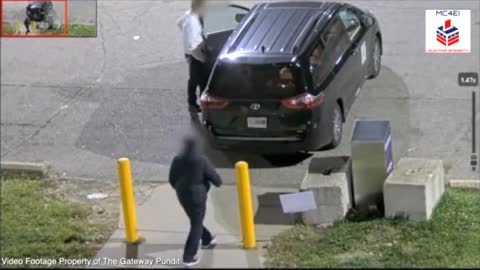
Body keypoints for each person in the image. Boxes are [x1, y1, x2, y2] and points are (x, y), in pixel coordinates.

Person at [168, 136, 222, 267]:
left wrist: (181, 189)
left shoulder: (177, 159)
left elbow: (171, 179)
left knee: (195, 220)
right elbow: (216, 179)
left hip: (182, 195)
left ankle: (207, 239)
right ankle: (189, 256)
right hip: (197, 197)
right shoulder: (201, 160)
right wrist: (213, 183)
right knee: (196, 224)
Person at [177, 0, 210, 113]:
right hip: (196, 55)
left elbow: (179, 22)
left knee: (194, 80)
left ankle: (192, 102)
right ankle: (195, 104)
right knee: (200, 80)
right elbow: (193, 46)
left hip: (191, 54)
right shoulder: (193, 22)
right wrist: (203, 59)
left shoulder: (188, 15)